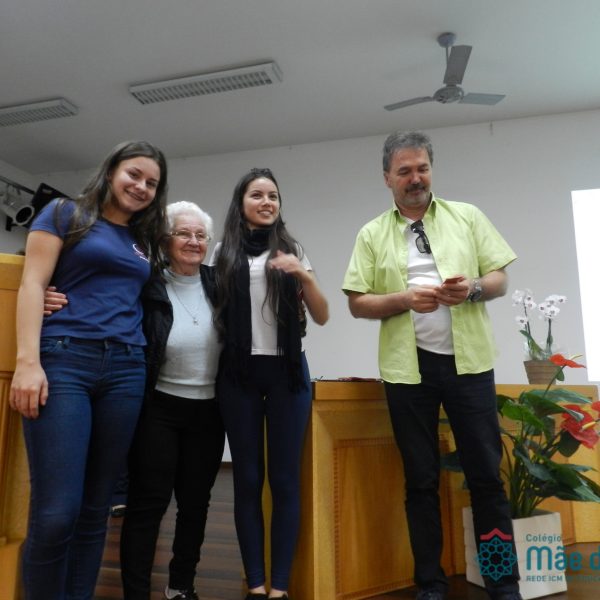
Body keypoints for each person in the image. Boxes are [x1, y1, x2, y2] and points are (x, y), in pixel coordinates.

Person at [342, 131, 522, 600]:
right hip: (408, 374)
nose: (415, 178)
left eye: (422, 168)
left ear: (431, 170)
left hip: (469, 367)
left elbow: (499, 277)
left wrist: (473, 289)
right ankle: (430, 584)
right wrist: (404, 299)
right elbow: (357, 303)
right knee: (420, 481)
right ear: (387, 178)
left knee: (486, 478)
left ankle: (503, 585)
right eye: (404, 171)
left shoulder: (467, 216)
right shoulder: (371, 234)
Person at [9, 141, 168, 600]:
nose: (141, 187)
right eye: (134, 174)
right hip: (65, 360)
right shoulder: (65, 214)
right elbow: (32, 283)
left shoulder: (142, 242)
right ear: (111, 170)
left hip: (126, 369)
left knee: (97, 508)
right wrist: (27, 363)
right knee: (57, 512)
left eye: (152, 183)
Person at [212, 168, 329, 600]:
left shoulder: (292, 250)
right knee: (246, 479)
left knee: (284, 481)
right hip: (237, 374)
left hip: (287, 373)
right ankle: (256, 584)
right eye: (257, 195)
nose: (267, 202)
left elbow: (322, 315)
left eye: (273, 196)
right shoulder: (221, 252)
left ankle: (279, 586)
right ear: (241, 203)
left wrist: (304, 275)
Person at [119, 201, 225, 600]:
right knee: (148, 505)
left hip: (209, 411)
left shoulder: (219, 283)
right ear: (165, 240)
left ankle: (181, 586)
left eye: (200, 235)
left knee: (195, 505)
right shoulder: (146, 285)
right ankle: (135, 592)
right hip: (159, 408)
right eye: (184, 233)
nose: (194, 241)